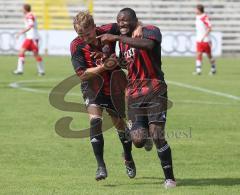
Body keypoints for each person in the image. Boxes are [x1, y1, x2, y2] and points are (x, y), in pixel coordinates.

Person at [97, 8, 176, 188]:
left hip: (155, 88)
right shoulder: (123, 42)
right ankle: (144, 137)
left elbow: (148, 46)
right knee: (138, 141)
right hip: (133, 94)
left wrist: (117, 38)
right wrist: (108, 60)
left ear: (134, 20)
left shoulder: (150, 30)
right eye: (119, 21)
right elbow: (127, 62)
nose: (121, 23)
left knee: (157, 134)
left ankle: (169, 178)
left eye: (125, 20)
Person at [70, 11, 136, 181]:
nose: (85, 38)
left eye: (88, 34)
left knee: (120, 126)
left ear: (94, 27)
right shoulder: (76, 45)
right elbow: (83, 74)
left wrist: (138, 29)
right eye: (80, 35)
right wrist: (105, 66)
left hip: (114, 85)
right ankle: (101, 166)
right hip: (92, 87)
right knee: (95, 121)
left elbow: (130, 25)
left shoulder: (110, 29)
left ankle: (128, 157)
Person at [13, 4, 45, 76]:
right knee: (23, 51)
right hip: (31, 37)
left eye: (22, 9)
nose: (22, 10)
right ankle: (20, 69)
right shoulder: (29, 15)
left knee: (34, 54)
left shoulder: (30, 15)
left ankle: (41, 70)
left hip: (32, 37)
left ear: (25, 9)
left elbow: (31, 25)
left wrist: (21, 32)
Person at [194, 4, 216, 75]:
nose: (195, 10)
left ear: (199, 10)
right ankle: (198, 70)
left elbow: (210, 28)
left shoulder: (204, 17)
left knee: (209, 55)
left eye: (196, 9)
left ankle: (213, 68)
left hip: (205, 40)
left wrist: (204, 36)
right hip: (199, 40)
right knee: (198, 54)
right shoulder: (197, 17)